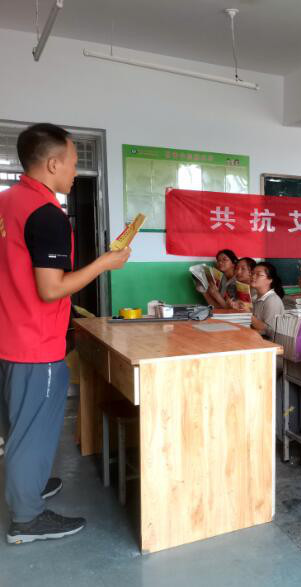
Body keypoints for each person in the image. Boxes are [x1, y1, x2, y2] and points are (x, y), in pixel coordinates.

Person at [0, 123, 131, 544]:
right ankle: (26, 519)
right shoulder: (47, 214)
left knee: (17, 425)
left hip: (8, 335)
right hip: (35, 343)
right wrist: (105, 263)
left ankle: (29, 485)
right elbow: (51, 288)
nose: (75, 172)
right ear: (53, 163)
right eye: (73, 163)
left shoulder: (7, 202)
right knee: (33, 432)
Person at [247, 262, 285, 338]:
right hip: (256, 339)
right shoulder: (255, 297)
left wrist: (248, 314)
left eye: (258, 274)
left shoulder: (273, 300)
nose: (253, 276)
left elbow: (271, 332)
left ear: (270, 280)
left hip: (267, 342)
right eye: (252, 273)